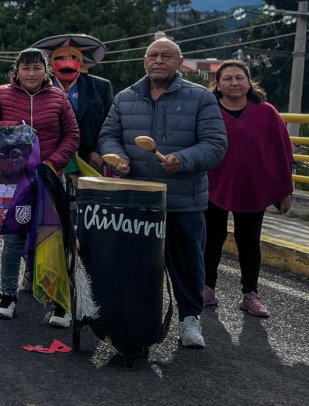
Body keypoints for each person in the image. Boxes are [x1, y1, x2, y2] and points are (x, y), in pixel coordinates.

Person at [100, 37, 227, 349]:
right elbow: (109, 135)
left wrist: (183, 160)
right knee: (136, 265)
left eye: (166, 56)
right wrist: (119, 158)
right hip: (138, 200)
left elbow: (215, 144)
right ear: (145, 62)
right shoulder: (125, 97)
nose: (158, 60)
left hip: (183, 200)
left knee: (187, 264)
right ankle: (137, 320)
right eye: (153, 55)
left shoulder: (200, 98)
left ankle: (189, 320)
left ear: (179, 62)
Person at [0, 48, 79, 324]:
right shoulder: (1, 94)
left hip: (48, 177)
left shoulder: (59, 97)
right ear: (16, 71)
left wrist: (53, 164)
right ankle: (8, 296)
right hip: (12, 179)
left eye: (37, 68)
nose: (31, 74)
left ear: (46, 71)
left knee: (53, 237)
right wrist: (17, 128)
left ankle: (59, 302)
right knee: (13, 239)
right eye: (26, 68)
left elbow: (71, 135)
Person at [204, 60, 294, 318]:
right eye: (228, 78)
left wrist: (284, 191)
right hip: (213, 185)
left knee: (249, 241)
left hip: (254, 188)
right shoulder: (208, 110)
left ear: (248, 82)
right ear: (218, 84)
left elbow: (282, 152)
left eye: (239, 78)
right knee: (211, 238)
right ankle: (207, 287)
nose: (234, 83)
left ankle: (250, 294)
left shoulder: (266, 112)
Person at [32, 34, 115, 174]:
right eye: (61, 58)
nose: (67, 62)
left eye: (73, 57)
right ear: (51, 63)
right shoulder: (37, 87)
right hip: (47, 161)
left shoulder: (101, 87)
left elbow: (111, 124)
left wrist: (99, 151)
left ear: (81, 62)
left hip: (90, 161)